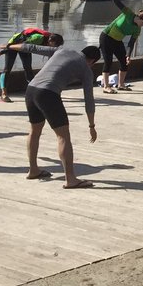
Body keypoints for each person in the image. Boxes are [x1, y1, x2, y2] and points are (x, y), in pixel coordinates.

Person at [17, 45, 101, 188]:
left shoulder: (63, 50)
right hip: (47, 93)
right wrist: (92, 126)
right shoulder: (86, 69)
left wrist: (8, 46)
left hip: (31, 90)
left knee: (34, 131)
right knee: (63, 136)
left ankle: (33, 170)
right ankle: (71, 179)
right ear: (92, 61)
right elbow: (89, 100)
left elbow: (32, 47)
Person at [98, 0, 143, 93]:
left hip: (117, 40)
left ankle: (121, 84)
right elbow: (117, 3)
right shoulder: (128, 14)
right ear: (140, 19)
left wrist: (128, 55)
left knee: (124, 62)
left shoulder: (137, 29)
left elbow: (131, 43)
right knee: (108, 62)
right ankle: (106, 87)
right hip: (106, 37)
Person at [0, 28, 63, 102]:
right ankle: (3, 94)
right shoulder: (38, 38)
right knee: (7, 69)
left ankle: (34, 92)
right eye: (55, 45)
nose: (54, 47)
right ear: (51, 41)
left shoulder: (49, 41)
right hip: (14, 43)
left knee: (28, 69)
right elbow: (22, 46)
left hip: (25, 47)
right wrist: (1, 53)